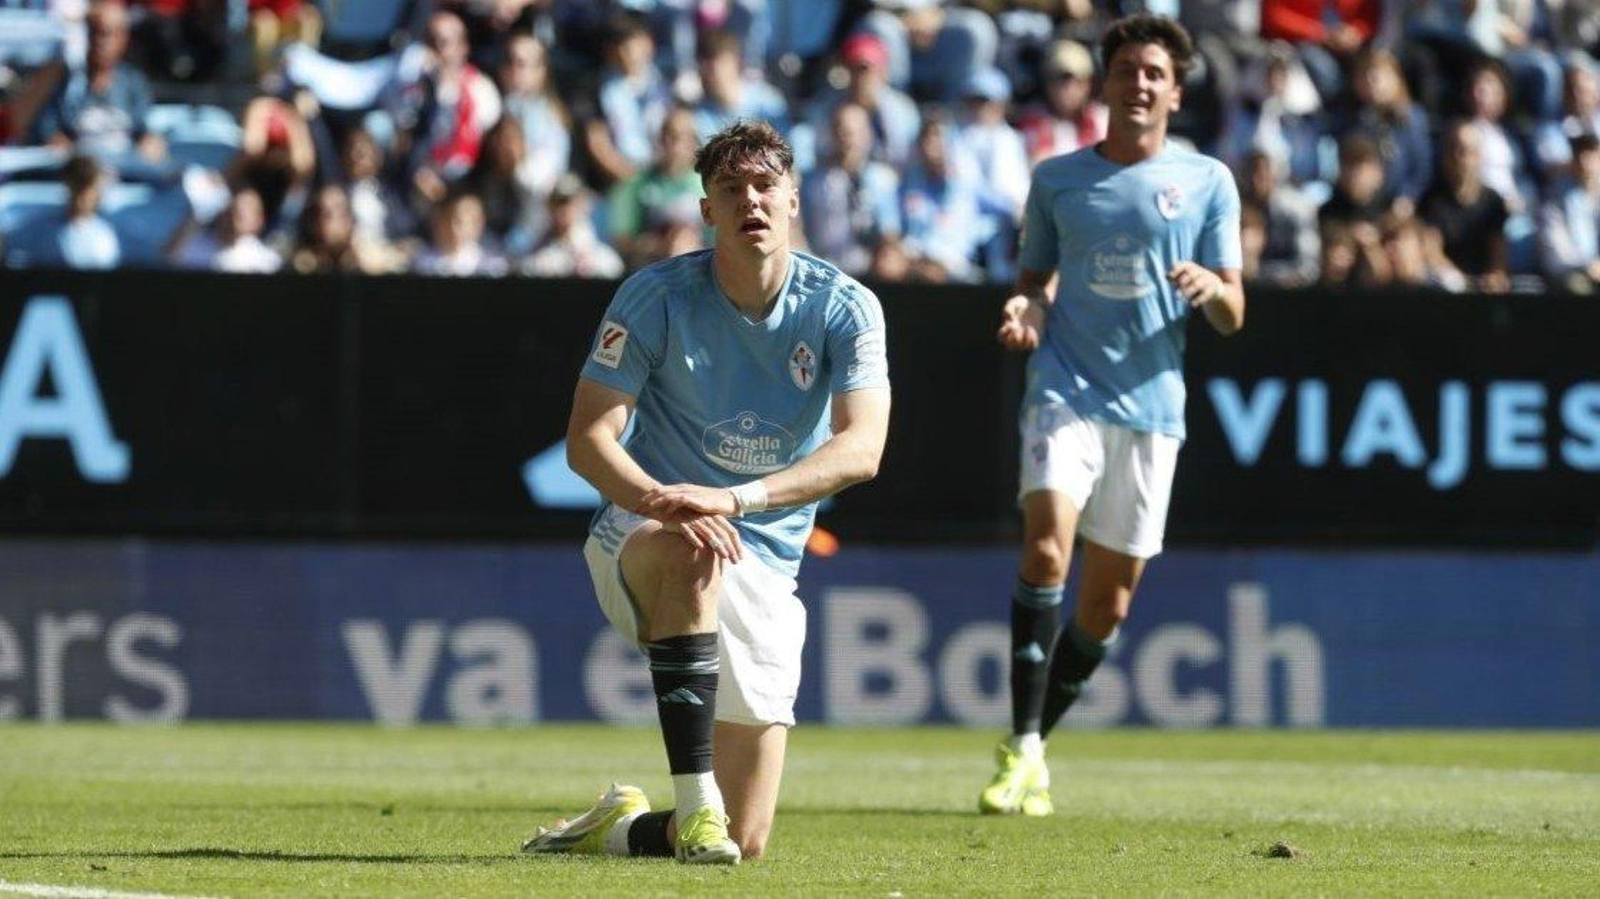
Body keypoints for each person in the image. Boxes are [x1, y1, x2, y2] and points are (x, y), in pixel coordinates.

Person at [522, 120, 891, 864]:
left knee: (749, 837)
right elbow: (588, 439)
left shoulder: (845, 308)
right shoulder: (654, 296)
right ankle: (695, 811)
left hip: (763, 552)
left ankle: (614, 829)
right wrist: (664, 500)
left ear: (792, 200)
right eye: (731, 189)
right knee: (695, 550)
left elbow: (862, 448)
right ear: (707, 211)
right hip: (644, 533)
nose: (750, 200)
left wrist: (736, 498)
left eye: (764, 186)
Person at [980, 14, 1244, 817]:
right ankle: (1020, 742)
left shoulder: (1207, 182)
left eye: (1154, 72)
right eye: (1126, 68)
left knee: (1108, 605)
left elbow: (1236, 310)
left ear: (1175, 88)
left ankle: (1035, 745)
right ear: (1106, 82)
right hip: (1066, 388)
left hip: (1153, 407)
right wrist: (1027, 309)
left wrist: (1212, 290)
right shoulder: (1058, 178)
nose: (1139, 83)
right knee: (1048, 544)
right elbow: (1034, 279)